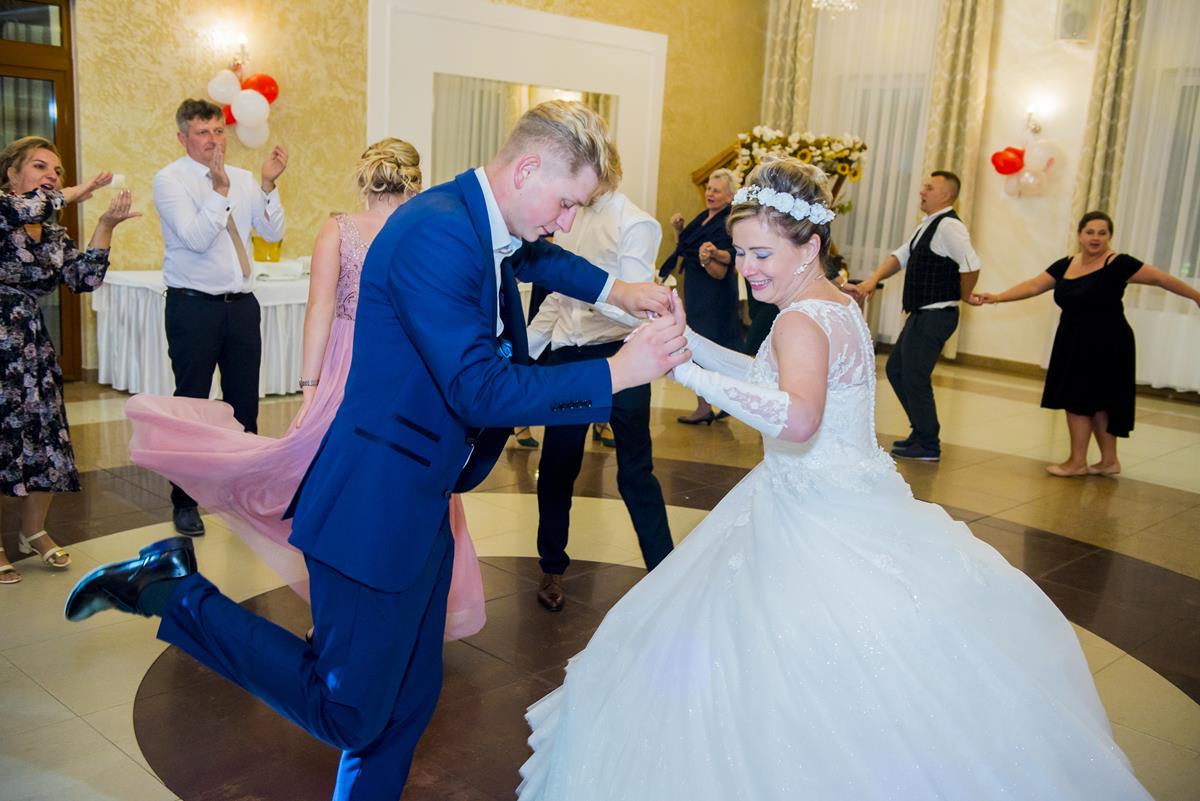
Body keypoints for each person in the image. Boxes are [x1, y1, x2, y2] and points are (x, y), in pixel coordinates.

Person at [65, 100, 688, 800]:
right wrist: (616, 372)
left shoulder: (476, 215)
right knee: (348, 709)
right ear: (526, 169)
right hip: (372, 502)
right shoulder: (438, 233)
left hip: (420, 499)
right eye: (568, 203)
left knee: (409, 702)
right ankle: (171, 590)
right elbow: (478, 389)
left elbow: (533, 255)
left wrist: (618, 289)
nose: (568, 221)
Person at [516, 157, 1151, 801]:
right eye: (742, 253)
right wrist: (686, 343)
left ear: (810, 245)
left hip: (814, 515)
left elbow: (797, 419)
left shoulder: (798, 319)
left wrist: (684, 374)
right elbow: (765, 373)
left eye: (762, 253)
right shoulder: (834, 304)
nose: (747, 268)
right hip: (853, 494)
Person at [123, 139, 485, 638]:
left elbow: (320, 309)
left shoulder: (340, 228)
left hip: (349, 369)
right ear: (415, 180)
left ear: (365, 178)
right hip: (413, 371)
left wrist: (311, 390)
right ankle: (409, 613)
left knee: (327, 489)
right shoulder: (433, 228)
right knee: (414, 486)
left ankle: (338, 615)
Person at [0, 137, 138, 585]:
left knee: (44, 438)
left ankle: (33, 531)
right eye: (40, 166)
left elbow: (85, 279)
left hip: (31, 348)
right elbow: (28, 208)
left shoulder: (54, 234)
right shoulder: (3, 210)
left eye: (56, 171)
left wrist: (105, 224)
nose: (51, 176)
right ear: (12, 175)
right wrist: (76, 192)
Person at [527, 190, 674, 611]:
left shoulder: (636, 223)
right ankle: (551, 566)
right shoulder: (568, 216)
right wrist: (522, 352)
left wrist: (597, 291)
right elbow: (557, 297)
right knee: (557, 467)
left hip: (621, 353)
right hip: (568, 356)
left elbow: (634, 311)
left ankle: (666, 572)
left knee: (636, 472)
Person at [969, 210, 1200, 477]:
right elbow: (1033, 286)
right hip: (1073, 340)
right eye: (1090, 232)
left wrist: (1196, 296)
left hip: (1109, 342)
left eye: (1102, 233)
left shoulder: (1118, 263)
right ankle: (1106, 461)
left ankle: (1080, 462)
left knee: (1089, 400)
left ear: (1109, 236)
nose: (1095, 238)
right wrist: (997, 297)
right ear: (1079, 235)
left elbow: (1161, 278)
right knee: (1085, 399)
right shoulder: (1066, 264)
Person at [153, 98, 288, 537]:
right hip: (193, 306)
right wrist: (219, 190)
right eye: (202, 133)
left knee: (244, 404)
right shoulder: (170, 180)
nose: (213, 141)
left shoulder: (245, 178)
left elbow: (272, 233)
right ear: (183, 137)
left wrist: (267, 185)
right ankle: (184, 500)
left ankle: (244, 491)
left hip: (241, 306)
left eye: (217, 131)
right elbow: (195, 239)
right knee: (191, 404)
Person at [849, 171, 980, 462]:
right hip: (922, 314)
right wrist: (872, 280)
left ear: (945, 195)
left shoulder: (949, 226)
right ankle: (921, 432)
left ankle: (929, 443)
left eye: (929, 187)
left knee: (914, 376)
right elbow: (900, 256)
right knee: (897, 370)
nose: (922, 191)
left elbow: (971, 264)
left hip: (937, 314)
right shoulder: (928, 224)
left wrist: (966, 294)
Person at [659, 168, 740, 424]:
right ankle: (709, 405)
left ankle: (714, 404)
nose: (710, 194)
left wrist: (713, 254)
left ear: (730, 197)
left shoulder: (729, 221)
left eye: (716, 191)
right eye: (709, 189)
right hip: (697, 290)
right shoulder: (705, 216)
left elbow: (730, 255)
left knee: (708, 349)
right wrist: (679, 229)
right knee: (700, 347)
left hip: (715, 294)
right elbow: (685, 246)